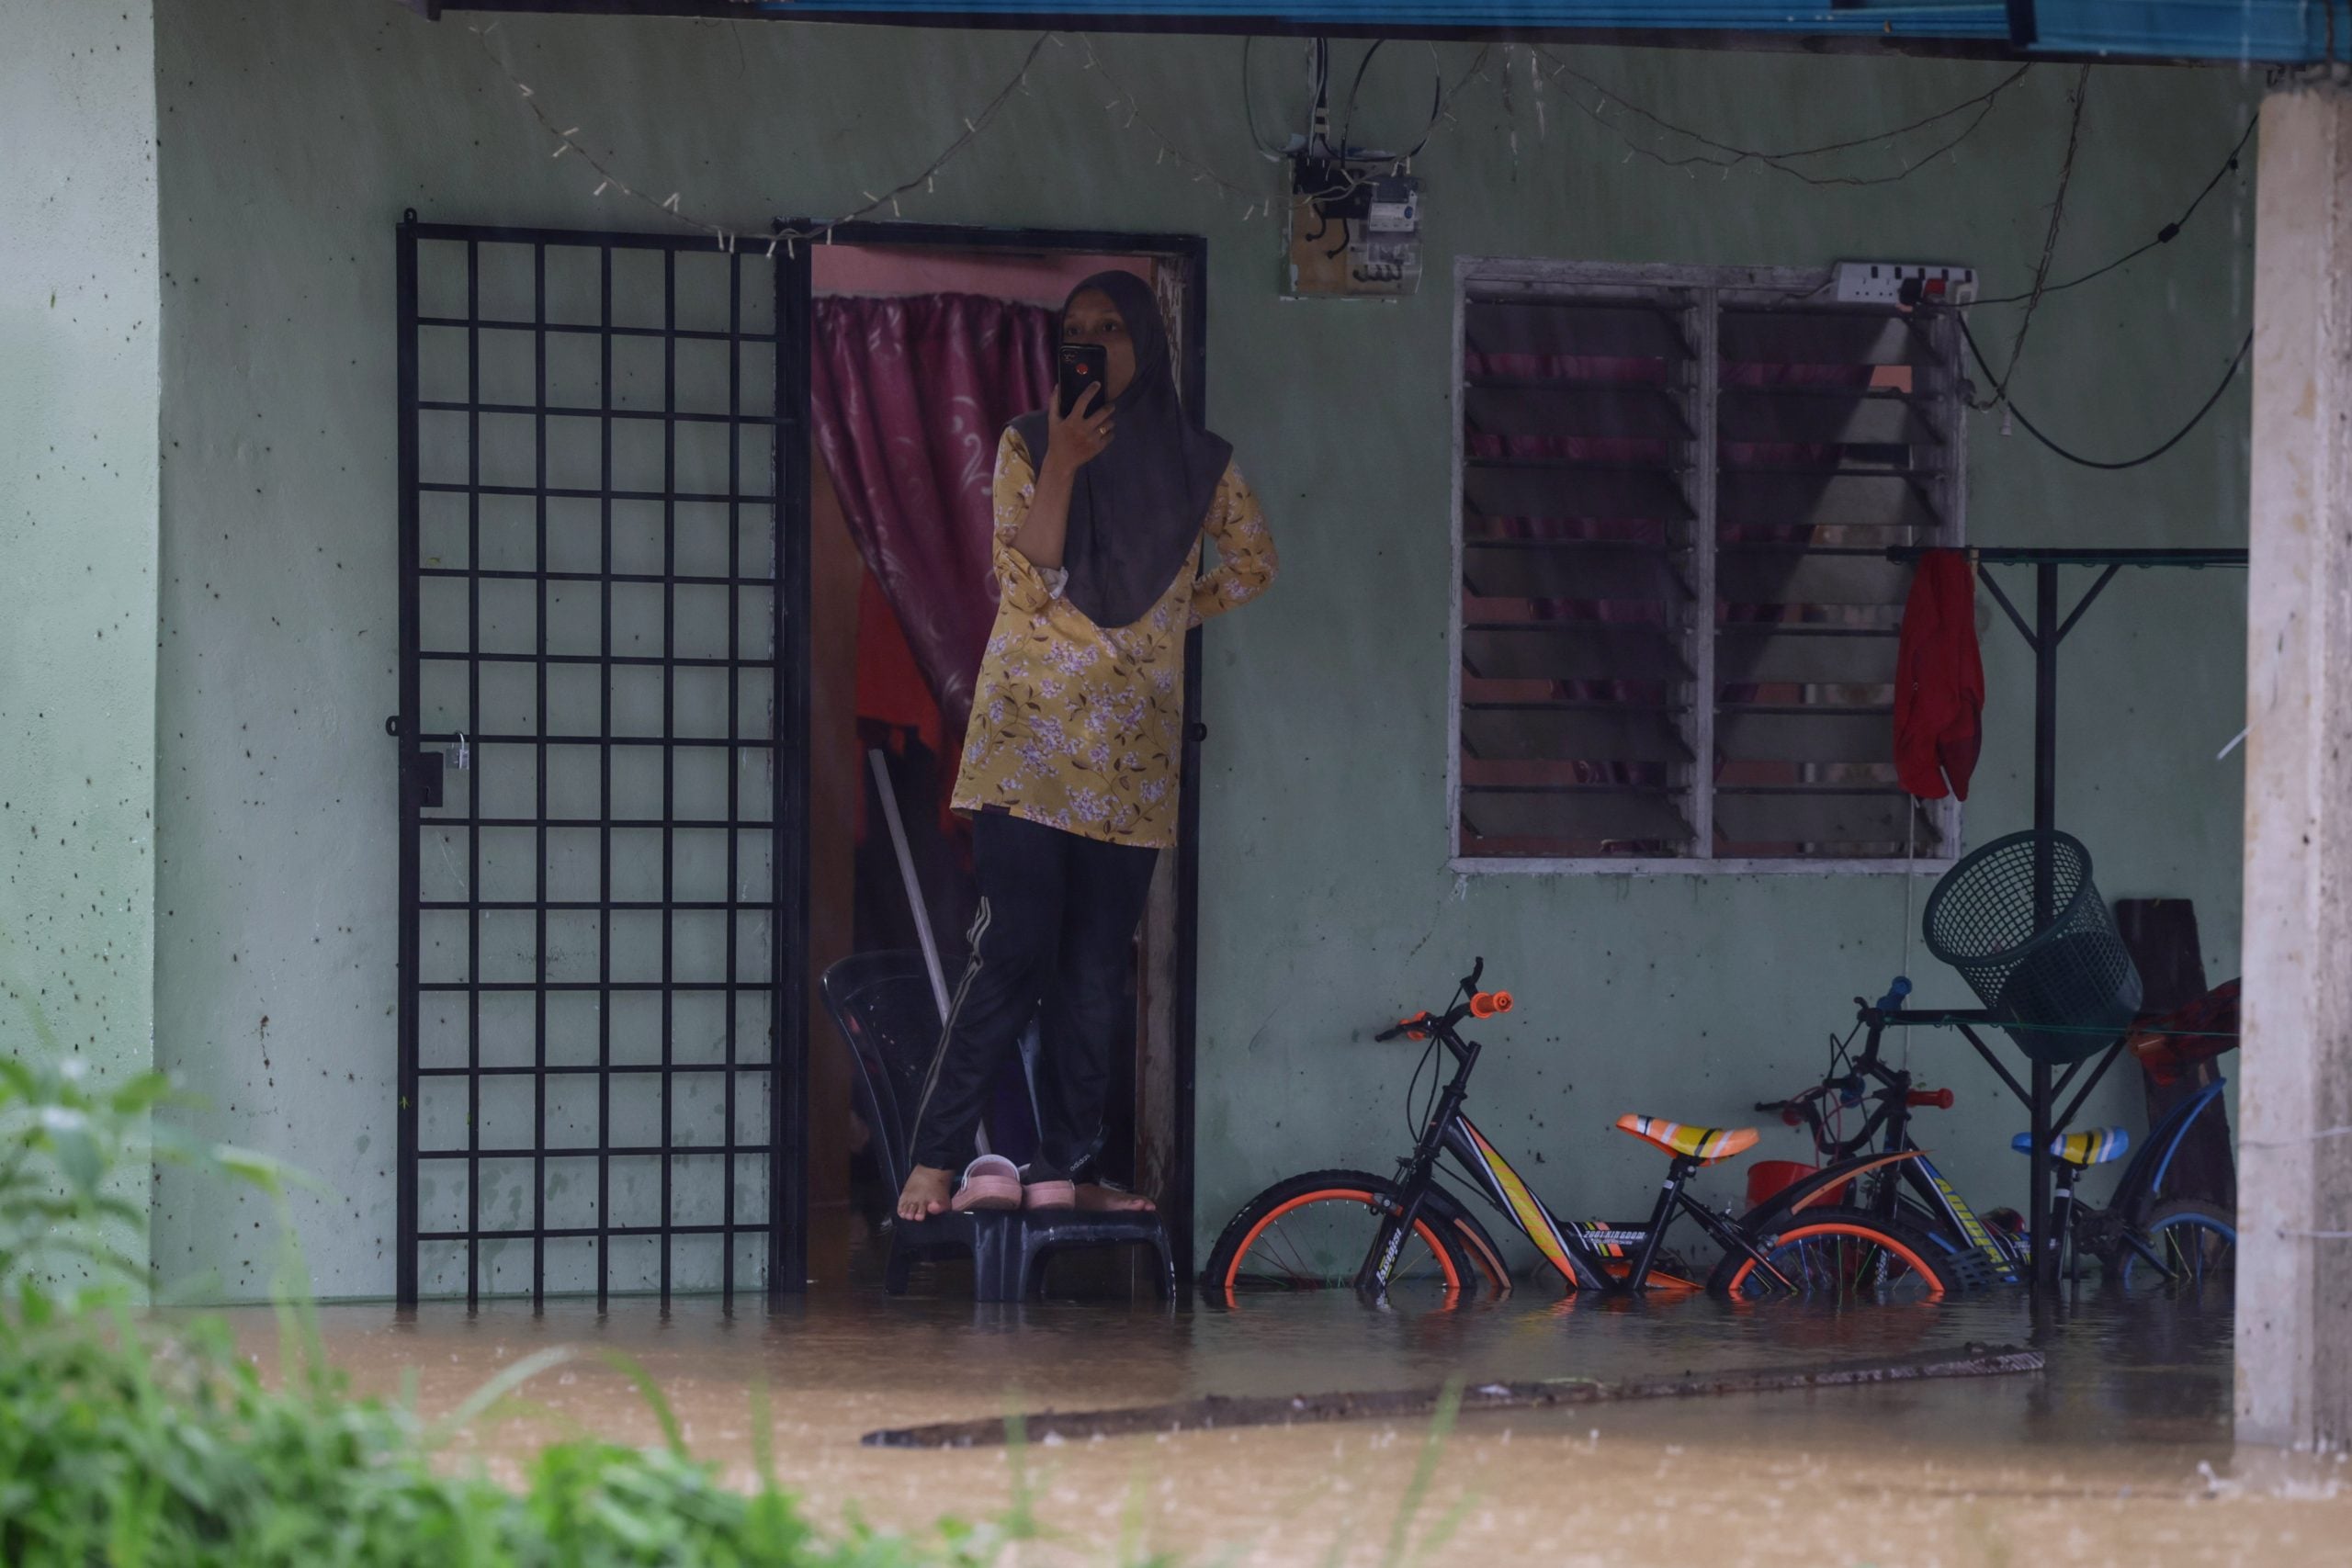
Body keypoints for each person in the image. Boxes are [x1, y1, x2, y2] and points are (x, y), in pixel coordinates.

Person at [896, 271, 1278, 1221]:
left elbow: (1257, 563)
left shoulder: (1198, 464)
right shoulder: (1029, 441)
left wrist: (1159, 618)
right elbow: (1023, 588)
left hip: (1132, 759)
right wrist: (1065, 460)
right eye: (1078, 329)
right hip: (1028, 750)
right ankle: (936, 1160)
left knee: (1096, 971)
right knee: (1012, 952)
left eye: (1113, 327)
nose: (1097, 341)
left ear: (1146, 342)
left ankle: (1064, 1171)